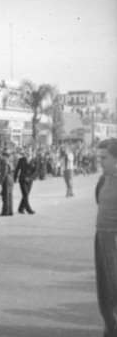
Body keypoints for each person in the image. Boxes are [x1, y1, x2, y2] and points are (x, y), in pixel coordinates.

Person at [94, 138, 117, 337]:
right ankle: (110, 328)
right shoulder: (103, 179)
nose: (100, 161)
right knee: (105, 289)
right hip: (101, 237)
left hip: (114, 239)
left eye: (104, 157)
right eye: (98, 157)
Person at [14, 147, 38, 215]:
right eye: (27, 151)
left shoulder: (35, 160)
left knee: (26, 195)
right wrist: (15, 178)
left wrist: (30, 178)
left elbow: (36, 171)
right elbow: (17, 169)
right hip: (22, 179)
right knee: (25, 194)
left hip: (30, 180)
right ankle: (28, 209)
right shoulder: (21, 160)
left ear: (32, 152)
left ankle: (20, 208)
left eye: (29, 151)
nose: (28, 152)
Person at [0, 150, 14, 216]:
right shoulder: (10, 160)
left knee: (6, 196)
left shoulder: (4, 160)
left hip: (6, 178)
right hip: (10, 178)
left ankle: (5, 211)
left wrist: (1, 181)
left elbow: (4, 171)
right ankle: (10, 211)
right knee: (9, 195)